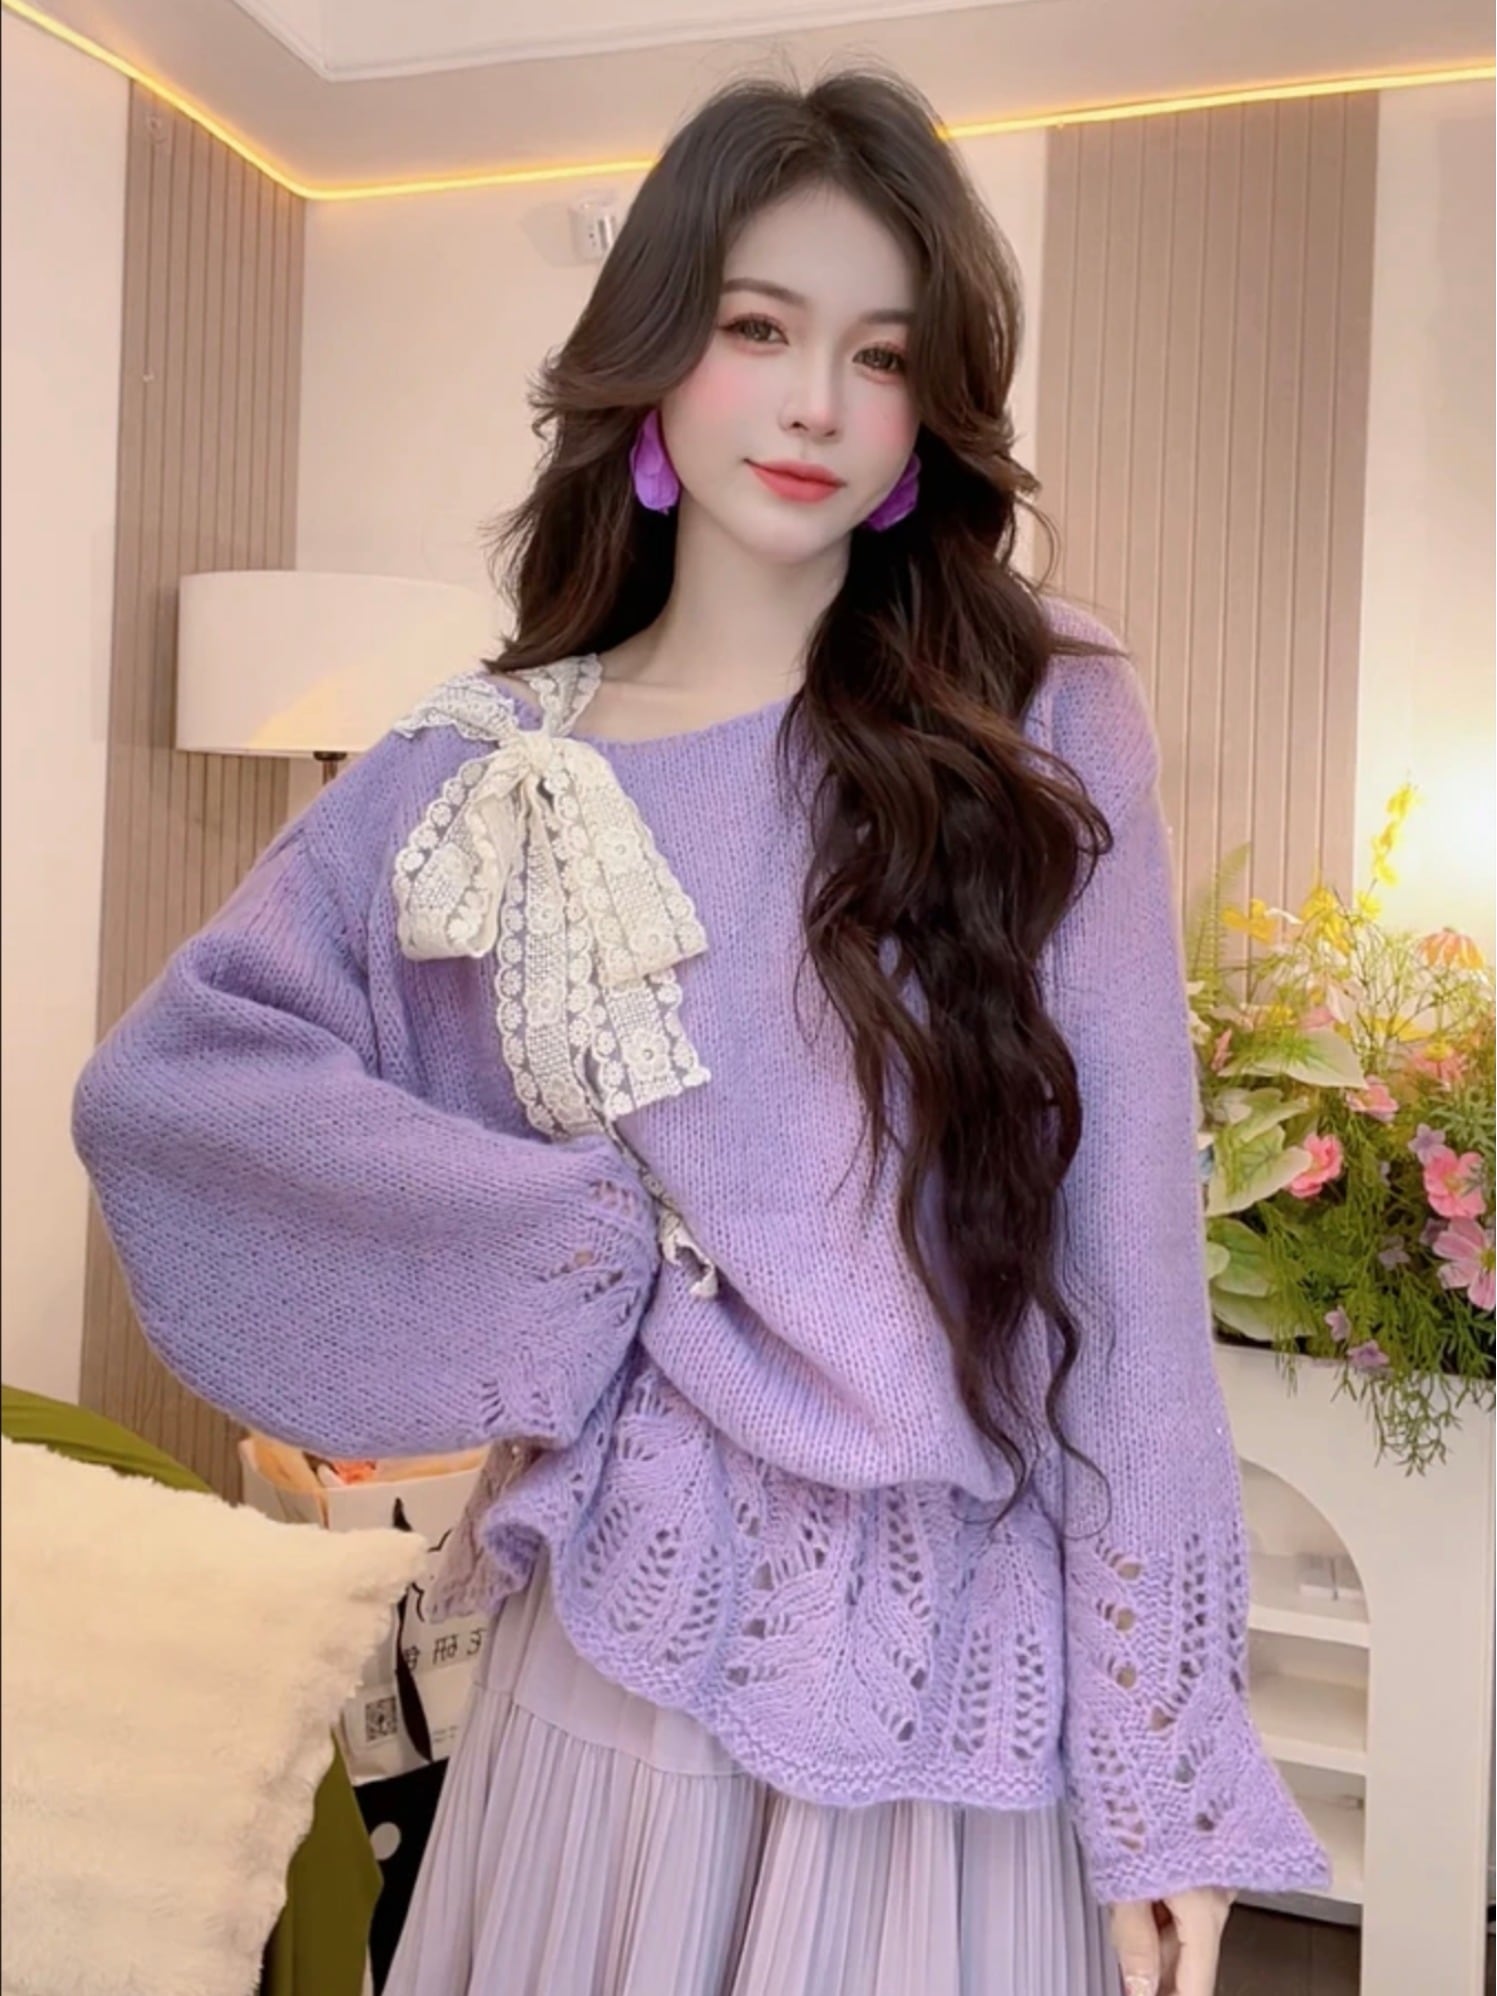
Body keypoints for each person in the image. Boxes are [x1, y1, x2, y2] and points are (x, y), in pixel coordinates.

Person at [72, 68, 1330, 1996]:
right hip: (623, 1673)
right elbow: (178, 1087)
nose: (815, 400)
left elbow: (1127, 1273)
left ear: (925, 413)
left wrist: (1166, 1768)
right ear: (655, 352)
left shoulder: (1038, 716)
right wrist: (578, 1264)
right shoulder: (486, 767)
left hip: (951, 1702)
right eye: (757, 327)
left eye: (879, 354)